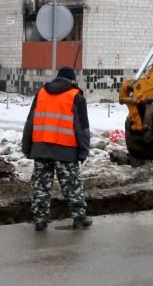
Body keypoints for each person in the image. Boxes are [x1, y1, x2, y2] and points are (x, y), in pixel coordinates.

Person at [22, 66, 91, 230]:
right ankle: (79, 217)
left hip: (40, 150)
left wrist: (27, 147)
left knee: (41, 186)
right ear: (72, 80)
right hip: (66, 151)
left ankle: (40, 219)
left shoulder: (41, 94)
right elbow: (82, 127)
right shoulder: (76, 96)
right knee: (72, 185)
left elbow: (30, 122)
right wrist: (83, 151)